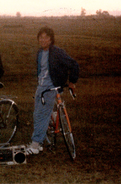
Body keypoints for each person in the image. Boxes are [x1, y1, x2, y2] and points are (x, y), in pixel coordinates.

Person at [26, 26, 79, 155]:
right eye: (41, 37)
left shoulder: (57, 52)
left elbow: (74, 64)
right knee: (36, 114)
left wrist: (72, 81)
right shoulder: (40, 52)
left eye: (46, 38)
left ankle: (35, 144)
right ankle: (40, 140)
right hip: (41, 87)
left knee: (41, 115)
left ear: (51, 39)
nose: (43, 40)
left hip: (51, 88)